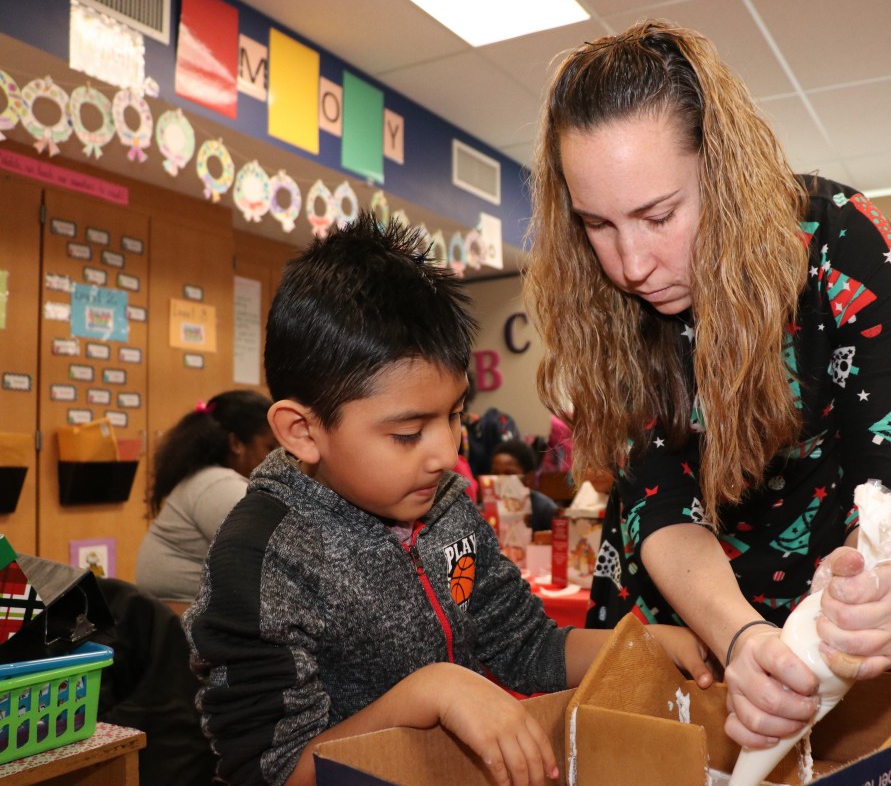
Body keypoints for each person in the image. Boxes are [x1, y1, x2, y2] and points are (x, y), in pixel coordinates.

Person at [183, 215, 710, 786]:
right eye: (408, 433)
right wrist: (431, 691)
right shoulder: (264, 558)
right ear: (302, 432)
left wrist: (638, 644)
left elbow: (526, 646)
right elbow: (272, 771)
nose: (445, 452)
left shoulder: (447, 506)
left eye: (455, 415)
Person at [522, 19, 891, 750]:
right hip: (674, 601)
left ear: (725, 169)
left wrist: (885, 581)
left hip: (818, 599)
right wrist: (739, 636)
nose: (630, 265)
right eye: (597, 224)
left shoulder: (848, 244)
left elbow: (888, 471)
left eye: (658, 215)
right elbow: (659, 499)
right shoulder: (605, 294)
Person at [136, 390, 276, 603]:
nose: (279, 458)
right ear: (236, 443)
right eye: (271, 447)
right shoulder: (218, 485)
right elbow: (277, 555)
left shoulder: (203, 477)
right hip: (184, 623)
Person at [489, 438, 560, 532]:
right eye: (496, 474)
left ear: (528, 478)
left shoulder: (544, 509)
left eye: (509, 474)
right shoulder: (488, 508)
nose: (501, 480)